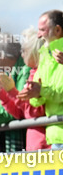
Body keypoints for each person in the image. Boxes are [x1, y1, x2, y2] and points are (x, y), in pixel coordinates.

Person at [19, 10, 63, 149]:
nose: (38, 35)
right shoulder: (44, 55)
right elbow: (36, 102)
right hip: (54, 137)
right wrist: (34, 93)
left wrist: (41, 91)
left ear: (57, 30)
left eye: (42, 30)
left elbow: (60, 94)